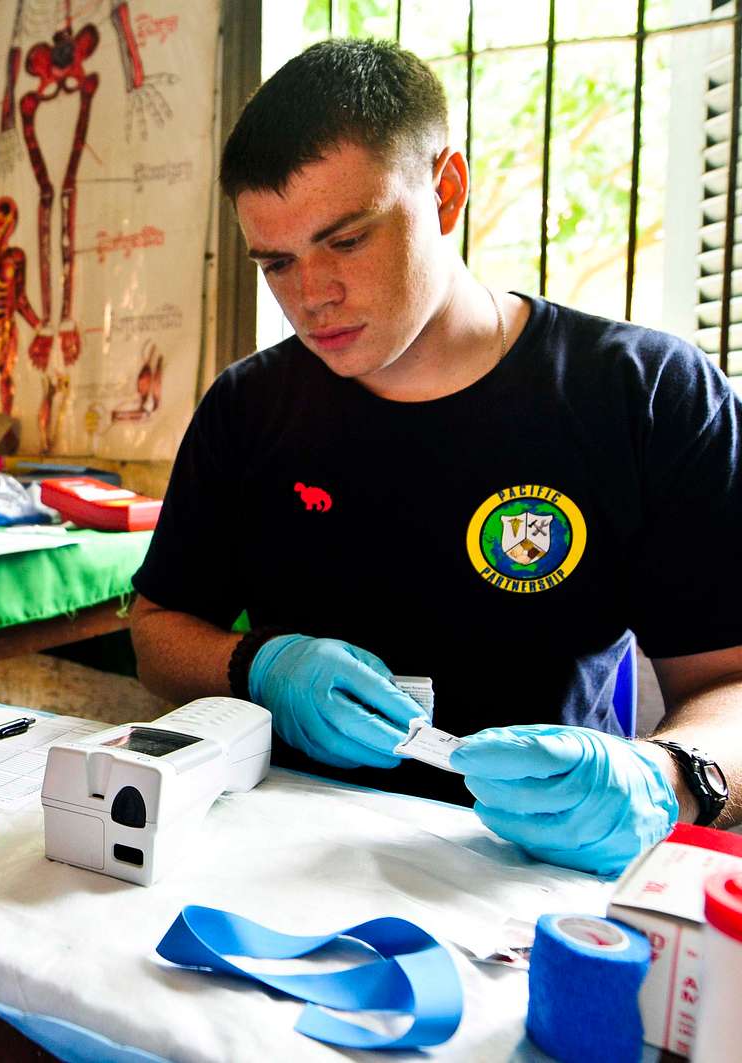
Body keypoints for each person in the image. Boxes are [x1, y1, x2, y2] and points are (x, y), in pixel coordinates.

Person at [132, 39, 742, 877]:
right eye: (276, 262)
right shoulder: (250, 408)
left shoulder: (643, 396)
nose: (311, 297)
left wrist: (670, 775)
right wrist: (258, 665)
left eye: (346, 240)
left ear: (447, 190)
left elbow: (731, 680)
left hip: (529, 877)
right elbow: (157, 629)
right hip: (281, 863)